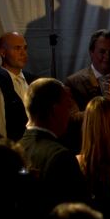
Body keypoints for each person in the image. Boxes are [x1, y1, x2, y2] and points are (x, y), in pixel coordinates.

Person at [18, 78, 88, 212]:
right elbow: (79, 218)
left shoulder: (15, 151)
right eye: (68, 107)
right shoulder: (62, 158)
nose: (70, 114)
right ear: (54, 110)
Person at [0, 32, 37, 101]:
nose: (23, 53)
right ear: (3, 52)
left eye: (25, 48)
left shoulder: (35, 81)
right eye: (17, 48)